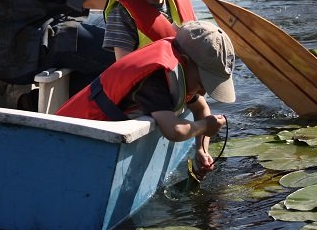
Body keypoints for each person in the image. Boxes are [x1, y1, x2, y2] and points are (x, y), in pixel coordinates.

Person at [57, 20, 236, 178]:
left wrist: (201, 149)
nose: (203, 93)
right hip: (71, 136)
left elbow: (201, 109)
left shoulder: (182, 72)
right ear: (184, 61)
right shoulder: (155, 80)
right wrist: (205, 126)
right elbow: (174, 130)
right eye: (202, 83)